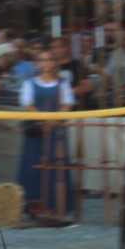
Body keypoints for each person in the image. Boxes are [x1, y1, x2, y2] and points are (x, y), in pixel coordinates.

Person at [18, 50, 75, 218]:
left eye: (49, 59)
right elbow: (28, 104)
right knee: (32, 166)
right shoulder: (30, 83)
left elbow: (66, 104)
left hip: (55, 131)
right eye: (42, 60)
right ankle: (33, 204)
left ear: (53, 62)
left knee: (55, 166)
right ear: (37, 63)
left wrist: (53, 121)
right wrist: (43, 121)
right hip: (36, 130)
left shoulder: (62, 83)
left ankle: (54, 204)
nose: (45, 63)